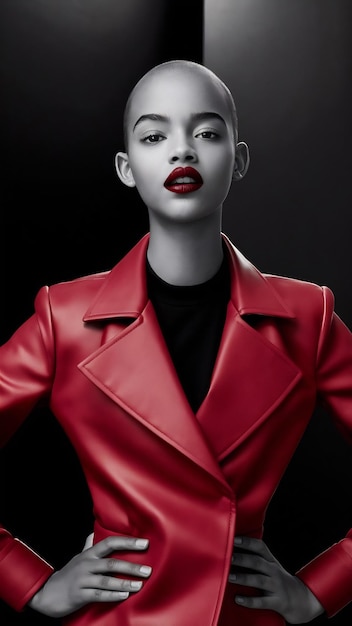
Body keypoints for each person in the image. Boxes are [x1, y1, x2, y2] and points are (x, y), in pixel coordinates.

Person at [0, 59, 351, 626]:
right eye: (154, 135)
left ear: (238, 160)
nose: (182, 151)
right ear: (126, 167)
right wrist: (32, 581)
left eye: (207, 133)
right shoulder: (62, 319)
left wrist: (319, 590)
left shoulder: (308, 319)